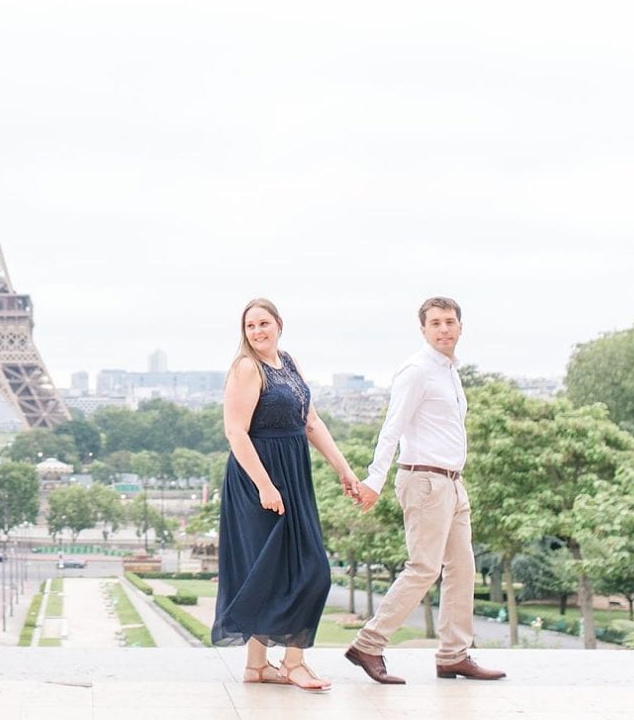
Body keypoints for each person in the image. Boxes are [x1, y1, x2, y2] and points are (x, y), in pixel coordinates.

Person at [345, 296, 506, 684]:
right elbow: (392, 428)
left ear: (460, 327)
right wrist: (374, 481)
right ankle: (370, 643)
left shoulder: (449, 372)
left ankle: (453, 654)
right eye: (435, 323)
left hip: (452, 483)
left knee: (462, 570)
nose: (444, 329)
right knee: (424, 568)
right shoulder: (416, 371)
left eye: (450, 322)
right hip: (424, 481)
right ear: (423, 330)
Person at [213, 297, 364, 691]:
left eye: (264, 323)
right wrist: (265, 485)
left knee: (280, 570)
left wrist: (344, 470)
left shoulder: (289, 363)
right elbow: (235, 431)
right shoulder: (247, 367)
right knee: (306, 569)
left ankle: (257, 666)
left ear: (279, 324)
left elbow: (311, 422)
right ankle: (293, 664)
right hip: (258, 477)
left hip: (292, 473)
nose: (258, 331)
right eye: (250, 326)